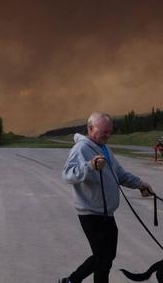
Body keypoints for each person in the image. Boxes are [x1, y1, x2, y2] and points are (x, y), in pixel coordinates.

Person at [60, 112, 153, 283]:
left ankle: (71, 281)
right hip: (90, 213)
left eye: (110, 131)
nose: (108, 135)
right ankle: (72, 280)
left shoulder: (105, 148)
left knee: (107, 256)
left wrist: (140, 184)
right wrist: (90, 166)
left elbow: (119, 173)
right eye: (104, 131)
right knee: (103, 258)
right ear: (90, 128)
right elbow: (67, 175)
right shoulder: (81, 148)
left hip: (106, 213)